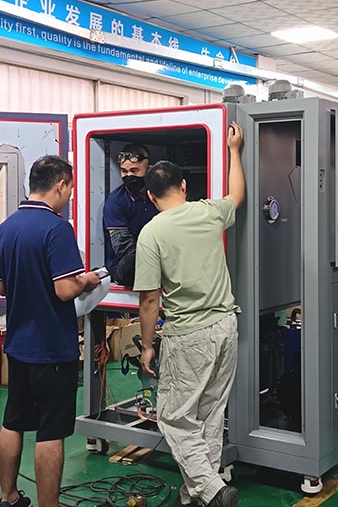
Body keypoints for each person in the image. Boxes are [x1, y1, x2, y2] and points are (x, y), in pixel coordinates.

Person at [134, 123, 245, 507]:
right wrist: (234, 150)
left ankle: (212, 490)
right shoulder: (208, 211)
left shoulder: (151, 233)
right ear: (184, 186)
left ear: (150, 195)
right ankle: (195, 495)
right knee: (210, 415)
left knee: (173, 417)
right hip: (226, 326)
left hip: (189, 334)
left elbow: (150, 300)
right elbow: (237, 195)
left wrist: (147, 346)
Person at [0, 156, 101, 507]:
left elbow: (4, 283)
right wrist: (86, 280)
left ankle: (9, 496)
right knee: (51, 430)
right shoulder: (57, 229)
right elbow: (64, 289)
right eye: (70, 188)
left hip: (18, 346)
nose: (70, 195)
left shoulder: (8, 227)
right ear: (60, 185)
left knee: (13, 421)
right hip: (52, 349)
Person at [103, 144, 158, 287]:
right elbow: (123, 247)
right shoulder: (116, 202)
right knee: (131, 264)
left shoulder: (159, 195)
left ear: (148, 170)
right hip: (126, 263)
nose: (128, 175)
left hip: (157, 256)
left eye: (134, 170)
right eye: (124, 171)